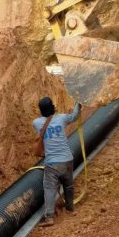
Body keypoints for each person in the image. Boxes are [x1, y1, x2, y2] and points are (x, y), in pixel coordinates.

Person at [32, 96, 82, 227]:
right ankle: (70, 207)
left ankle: (49, 217)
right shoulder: (62, 118)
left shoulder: (37, 123)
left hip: (52, 163)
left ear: (41, 111)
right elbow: (75, 116)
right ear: (53, 108)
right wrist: (79, 102)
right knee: (68, 185)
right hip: (67, 159)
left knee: (49, 188)